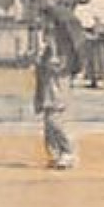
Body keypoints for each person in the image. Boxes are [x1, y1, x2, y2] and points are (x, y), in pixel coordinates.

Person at [32, 35, 77, 169]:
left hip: (57, 86)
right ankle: (54, 153)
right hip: (46, 85)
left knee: (55, 121)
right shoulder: (46, 44)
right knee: (48, 124)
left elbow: (63, 66)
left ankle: (67, 151)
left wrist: (51, 61)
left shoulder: (64, 43)